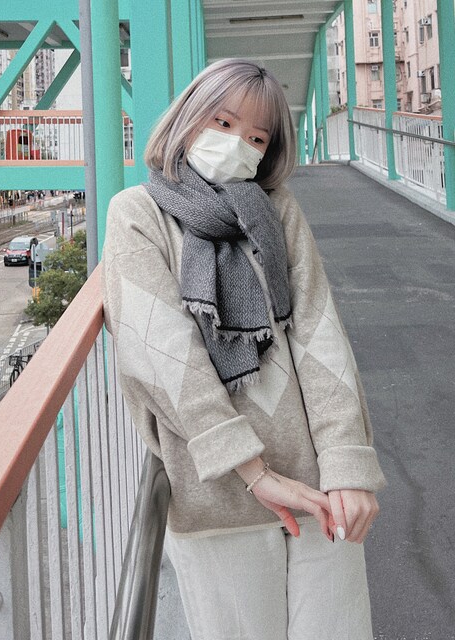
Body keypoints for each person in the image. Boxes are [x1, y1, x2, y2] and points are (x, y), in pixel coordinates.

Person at [102, 59, 386, 640]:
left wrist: (346, 463)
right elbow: (164, 357)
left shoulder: (276, 210)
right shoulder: (137, 213)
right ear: (187, 119)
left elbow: (318, 333)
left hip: (319, 487)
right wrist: (254, 472)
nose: (238, 144)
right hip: (218, 494)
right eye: (224, 123)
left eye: (257, 137)